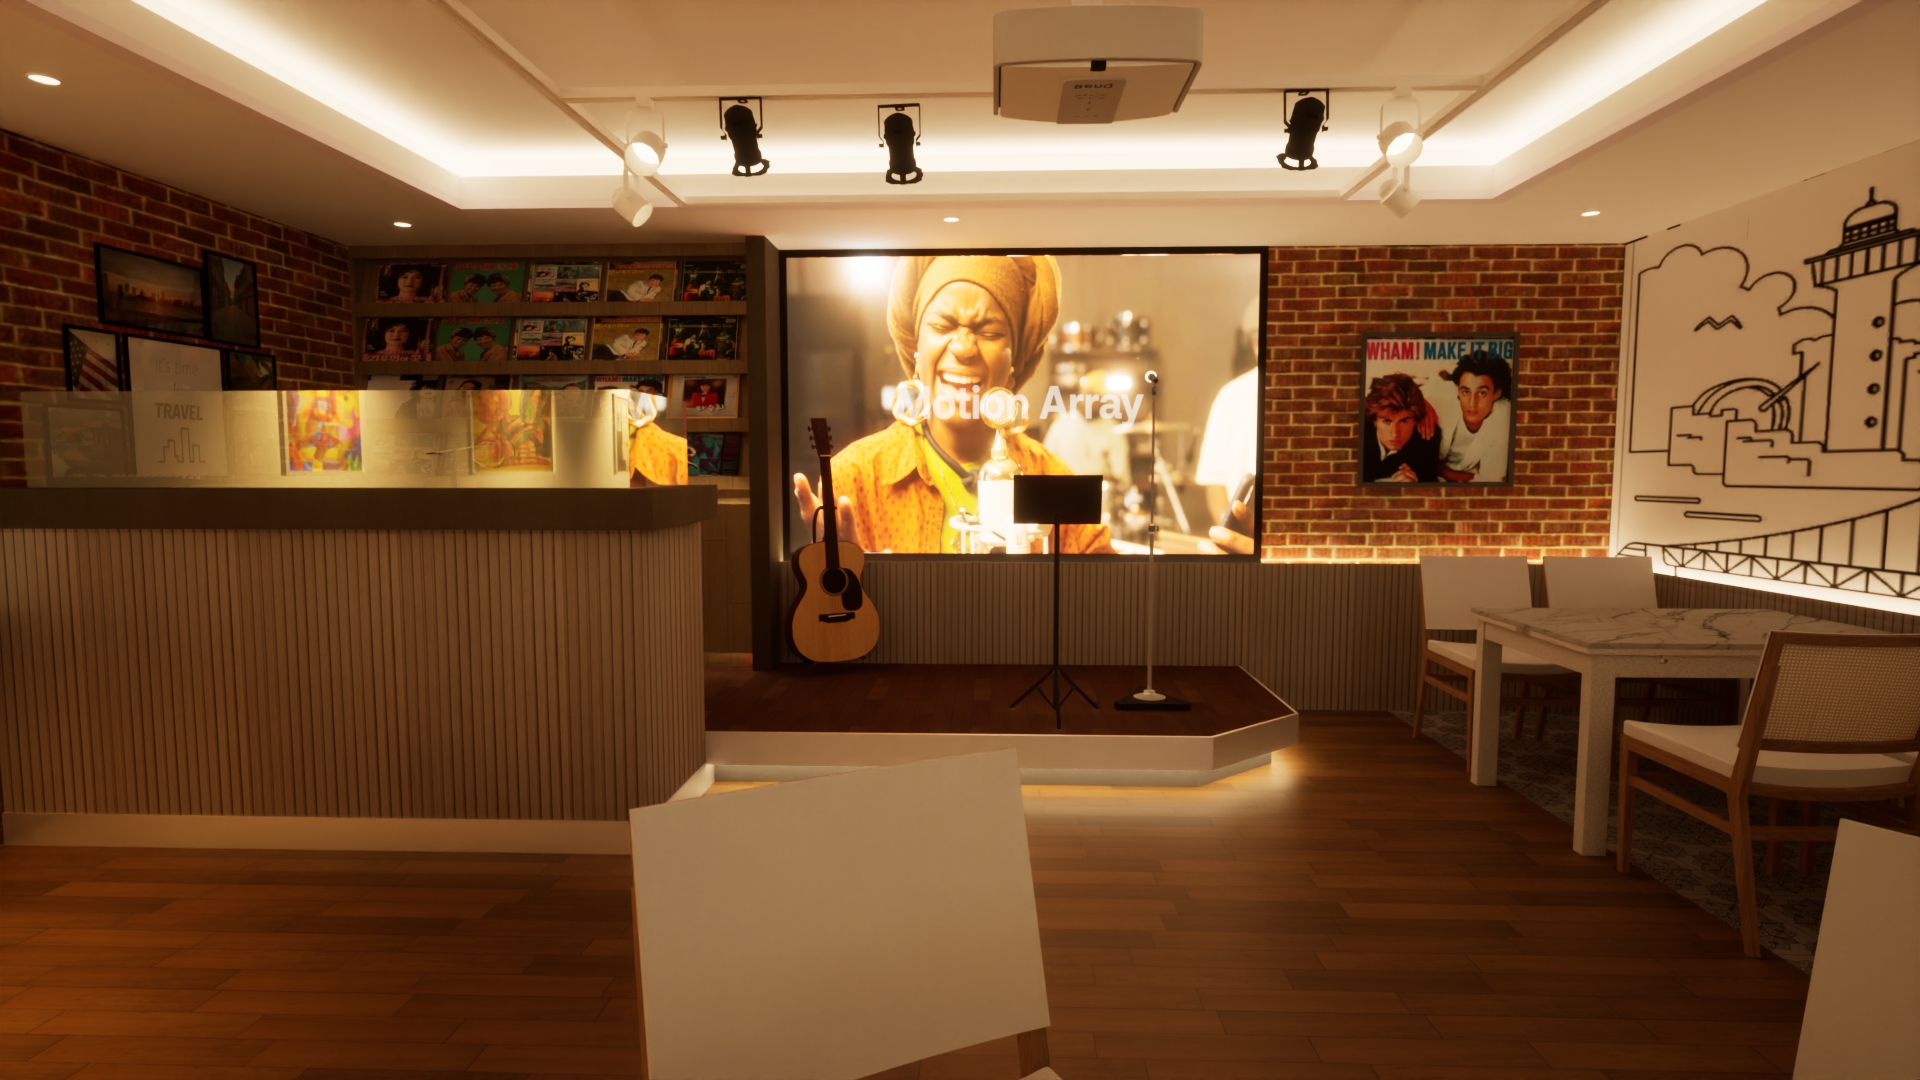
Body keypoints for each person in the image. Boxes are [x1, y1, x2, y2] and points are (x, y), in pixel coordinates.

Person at [793, 255, 1115, 554]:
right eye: (941, 326)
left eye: (989, 332)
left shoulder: (1053, 478)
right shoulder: (854, 479)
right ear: (916, 349)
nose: (963, 348)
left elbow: (1104, 590)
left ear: (1014, 363)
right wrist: (850, 579)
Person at [1432, 353, 1513, 483]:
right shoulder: (1440, 397)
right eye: (1466, 392)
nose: (1472, 403)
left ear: (1497, 393)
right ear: (1457, 390)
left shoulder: (1504, 415)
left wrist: (1445, 472)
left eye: (1482, 393)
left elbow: (1491, 479)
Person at [1361, 372, 1440, 483]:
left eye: (1404, 421)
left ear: (1416, 420)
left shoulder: (1427, 438)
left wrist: (1415, 485)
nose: (1395, 433)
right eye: (1387, 421)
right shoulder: (1359, 430)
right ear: (1374, 420)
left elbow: (1430, 483)